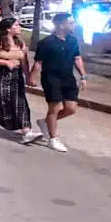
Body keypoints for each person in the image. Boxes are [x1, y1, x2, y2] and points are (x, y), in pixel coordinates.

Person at [30, 13, 87, 153]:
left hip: (68, 78)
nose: (74, 25)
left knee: (71, 108)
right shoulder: (46, 43)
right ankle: (53, 138)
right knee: (54, 108)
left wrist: (83, 76)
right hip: (51, 78)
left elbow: (77, 58)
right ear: (61, 25)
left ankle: (45, 122)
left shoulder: (72, 41)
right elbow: (38, 62)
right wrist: (32, 78)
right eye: (71, 23)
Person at [0, 18, 41, 144]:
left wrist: (28, 76)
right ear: (8, 28)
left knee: (20, 102)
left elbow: (24, 61)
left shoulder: (20, 42)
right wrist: (5, 62)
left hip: (15, 77)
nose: (19, 27)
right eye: (16, 25)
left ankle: (26, 132)